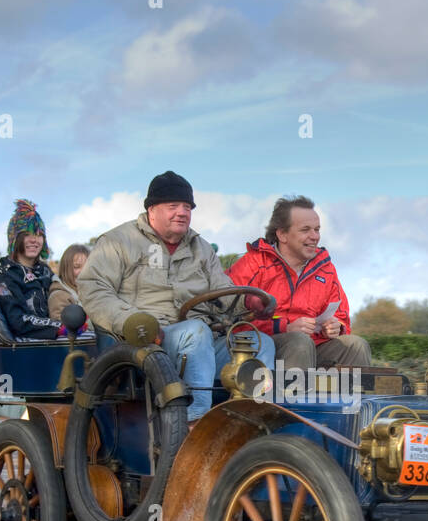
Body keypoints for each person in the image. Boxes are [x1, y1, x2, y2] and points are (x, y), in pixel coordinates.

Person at [77, 171, 275, 422]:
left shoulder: (201, 248)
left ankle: (251, 417)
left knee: (261, 343)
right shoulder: (118, 241)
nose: (182, 212)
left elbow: (223, 290)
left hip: (198, 343)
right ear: (152, 209)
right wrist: (133, 321)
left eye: (187, 207)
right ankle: (195, 421)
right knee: (196, 332)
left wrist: (250, 302)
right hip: (143, 343)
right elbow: (93, 288)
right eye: (173, 206)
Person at [227, 196, 371, 373]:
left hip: (313, 346)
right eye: (305, 230)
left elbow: (341, 315)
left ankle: (350, 401)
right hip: (266, 348)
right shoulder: (252, 263)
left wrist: (336, 327)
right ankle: (287, 401)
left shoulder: (326, 268)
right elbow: (231, 320)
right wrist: (285, 327)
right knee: (299, 341)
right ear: (282, 234)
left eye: (317, 229)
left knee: (356, 345)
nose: (315, 236)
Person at [0, 199, 60, 340]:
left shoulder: (45, 271)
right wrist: (59, 328)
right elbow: (18, 321)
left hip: (53, 340)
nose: (34, 240)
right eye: (27, 235)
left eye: (38, 235)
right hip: (26, 347)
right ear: (14, 239)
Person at [48, 244, 93, 332]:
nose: (83, 272)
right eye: (76, 267)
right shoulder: (59, 296)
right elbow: (62, 327)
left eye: (87, 267)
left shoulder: (89, 291)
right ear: (65, 269)